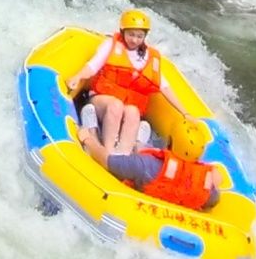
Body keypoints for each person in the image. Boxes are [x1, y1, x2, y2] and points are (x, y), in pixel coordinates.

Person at [66, 10, 191, 158]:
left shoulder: (149, 58)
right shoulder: (110, 45)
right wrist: (78, 76)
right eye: (131, 34)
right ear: (123, 31)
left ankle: (122, 156)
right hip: (102, 101)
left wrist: (185, 113)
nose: (134, 40)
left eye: (139, 36)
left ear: (145, 37)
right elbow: (93, 66)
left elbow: (164, 87)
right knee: (116, 105)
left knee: (133, 112)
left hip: (127, 109)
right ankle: (106, 152)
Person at [76, 115, 220, 213]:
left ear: (170, 142)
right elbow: (212, 202)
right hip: (171, 215)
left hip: (135, 206)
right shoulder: (208, 188)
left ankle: (135, 143)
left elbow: (108, 161)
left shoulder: (146, 165)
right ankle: (140, 143)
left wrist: (87, 140)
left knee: (128, 161)